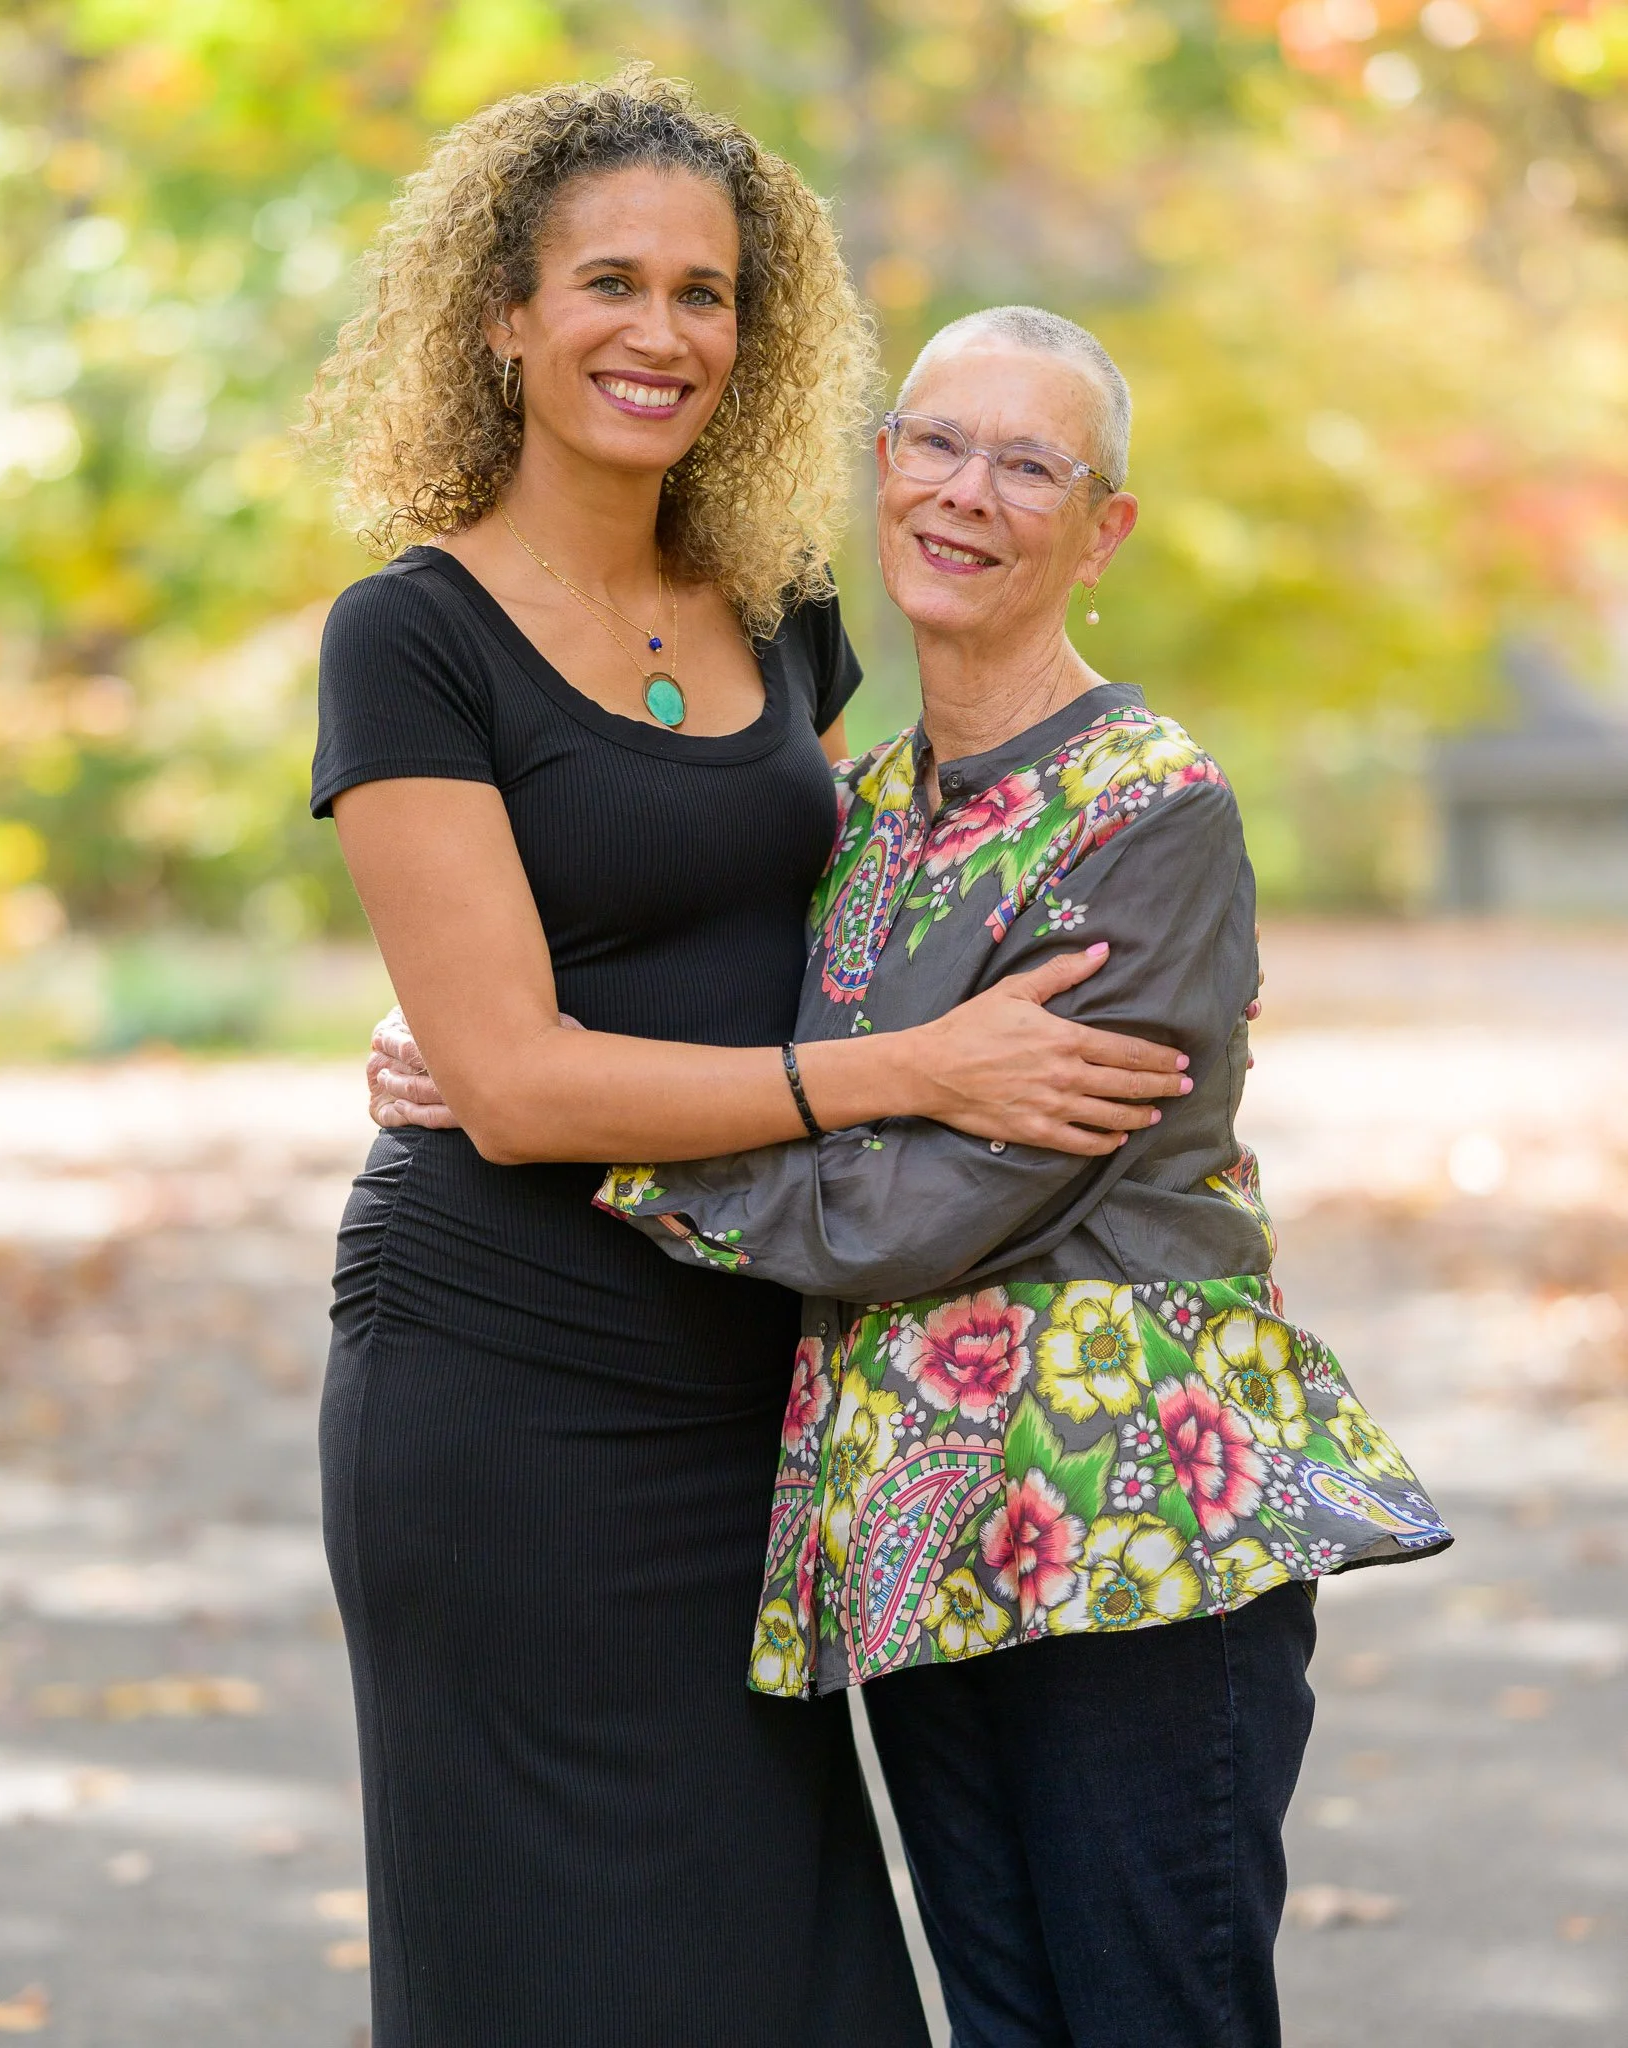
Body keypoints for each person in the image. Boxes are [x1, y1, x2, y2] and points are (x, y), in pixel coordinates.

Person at [307, 73, 1190, 2048]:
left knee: (809, 1985)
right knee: (566, 1977)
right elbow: (522, 1089)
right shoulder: (411, 638)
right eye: (608, 282)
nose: (662, 332)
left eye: (707, 293)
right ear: (500, 317)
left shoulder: (787, 617)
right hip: (506, 1389)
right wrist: (913, 1074)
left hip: (756, 1388)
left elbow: (835, 927)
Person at [585, 307, 1455, 2047]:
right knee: (1002, 2023)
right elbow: (721, 1022)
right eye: (935, 444)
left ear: (1099, 525)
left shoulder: (1150, 811)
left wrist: (615, 1158)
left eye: (1029, 463)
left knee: (1154, 2013)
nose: (967, 494)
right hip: (911, 1526)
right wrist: (469, 1034)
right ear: (884, 463)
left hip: (1131, 1519)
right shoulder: (860, 807)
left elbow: (941, 1202)